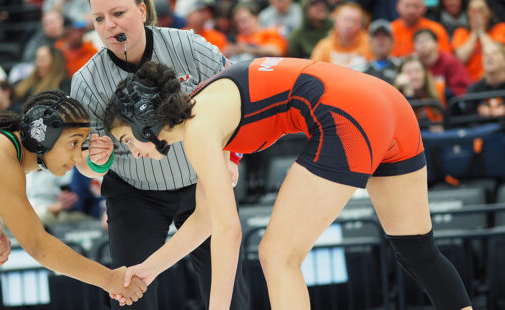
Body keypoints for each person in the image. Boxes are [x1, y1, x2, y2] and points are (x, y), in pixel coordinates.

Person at [103, 58, 473, 310]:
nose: (132, 153)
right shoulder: (204, 111)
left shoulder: (199, 130)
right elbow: (205, 220)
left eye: (127, 141)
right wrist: (149, 269)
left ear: (145, 123)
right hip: (387, 103)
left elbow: (229, 231)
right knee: (417, 251)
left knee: (277, 255)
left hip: (349, 115)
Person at [71, 0, 250, 309]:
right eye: (99, 19)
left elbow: (238, 102)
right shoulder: (86, 81)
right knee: (129, 288)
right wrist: (95, 161)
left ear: (142, 10)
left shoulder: (189, 46)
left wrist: (230, 159)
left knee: (227, 286)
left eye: (118, 14)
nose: (109, 26)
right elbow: (83, 163)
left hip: (202, 181)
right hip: (134, 193)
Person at [0, 89, 146, 310]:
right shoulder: (1, 157)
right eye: (73, 143)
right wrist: (109, 280)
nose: (76, 157)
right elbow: (38, 246)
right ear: (42, 135)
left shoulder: (4, 151)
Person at [451, 0, 505, 81]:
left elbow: (496, 54)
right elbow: (460, 59)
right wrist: (474, 33)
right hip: (469, 83)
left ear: (489, 12)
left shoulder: (500, 29)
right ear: (468, 13)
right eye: (474, 11)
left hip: (496, 80)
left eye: (481, 10)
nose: (477, 15)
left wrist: (481, 32)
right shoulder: (461, 32)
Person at [310, 2, 371, 70]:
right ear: (336, 22)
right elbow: (314, 72)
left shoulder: (370, 44)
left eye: (354, 21)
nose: (349, 25)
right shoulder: (324, 47)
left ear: (360, 25)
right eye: (345, 19)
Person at [364, 19, 401, 84]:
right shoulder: (362, 70)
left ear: (392, 42)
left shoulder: (401, 67)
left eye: (385, 36)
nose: (381, 40)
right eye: (376, 36)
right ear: (370, 43)